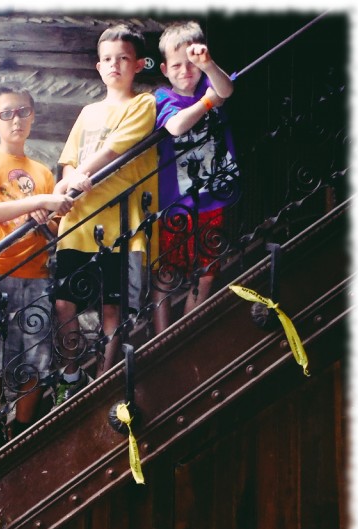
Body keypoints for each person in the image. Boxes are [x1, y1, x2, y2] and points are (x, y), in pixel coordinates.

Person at [52, 24, 159, 405]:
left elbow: (114, 150)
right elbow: (68, 161)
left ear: (139, 64)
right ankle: (71, 373)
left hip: (122, 221)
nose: (115, 65)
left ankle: (103, 377)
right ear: (99, 67)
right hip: (78, 221)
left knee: (114, 307)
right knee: (64, 302)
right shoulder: (87, 111)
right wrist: (69, 183)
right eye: (109, 59)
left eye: (124, 58)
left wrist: (78, 178)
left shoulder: (144, 104)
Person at [0, 86, 74, 444]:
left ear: (32, 117)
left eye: (23, 112)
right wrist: (40, 202)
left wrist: (45, 215)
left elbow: (55, 228)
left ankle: (23, 427)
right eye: (7, 113)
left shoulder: (42, 171)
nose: (16, 119)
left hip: (35, 269)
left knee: (36, 348)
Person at [151, 20, 236, 332]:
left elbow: (226, 89)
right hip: (176, 202)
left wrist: (209, 64)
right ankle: (160, 337)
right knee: (168, 272)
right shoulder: (162, 98)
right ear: (164, 69)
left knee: (208, 269)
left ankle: (183, 332)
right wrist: (206, 102)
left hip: (212, 197)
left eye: (191, 63)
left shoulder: (209, 85)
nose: (185, 70)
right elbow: (175, 126)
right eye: (176, 65)